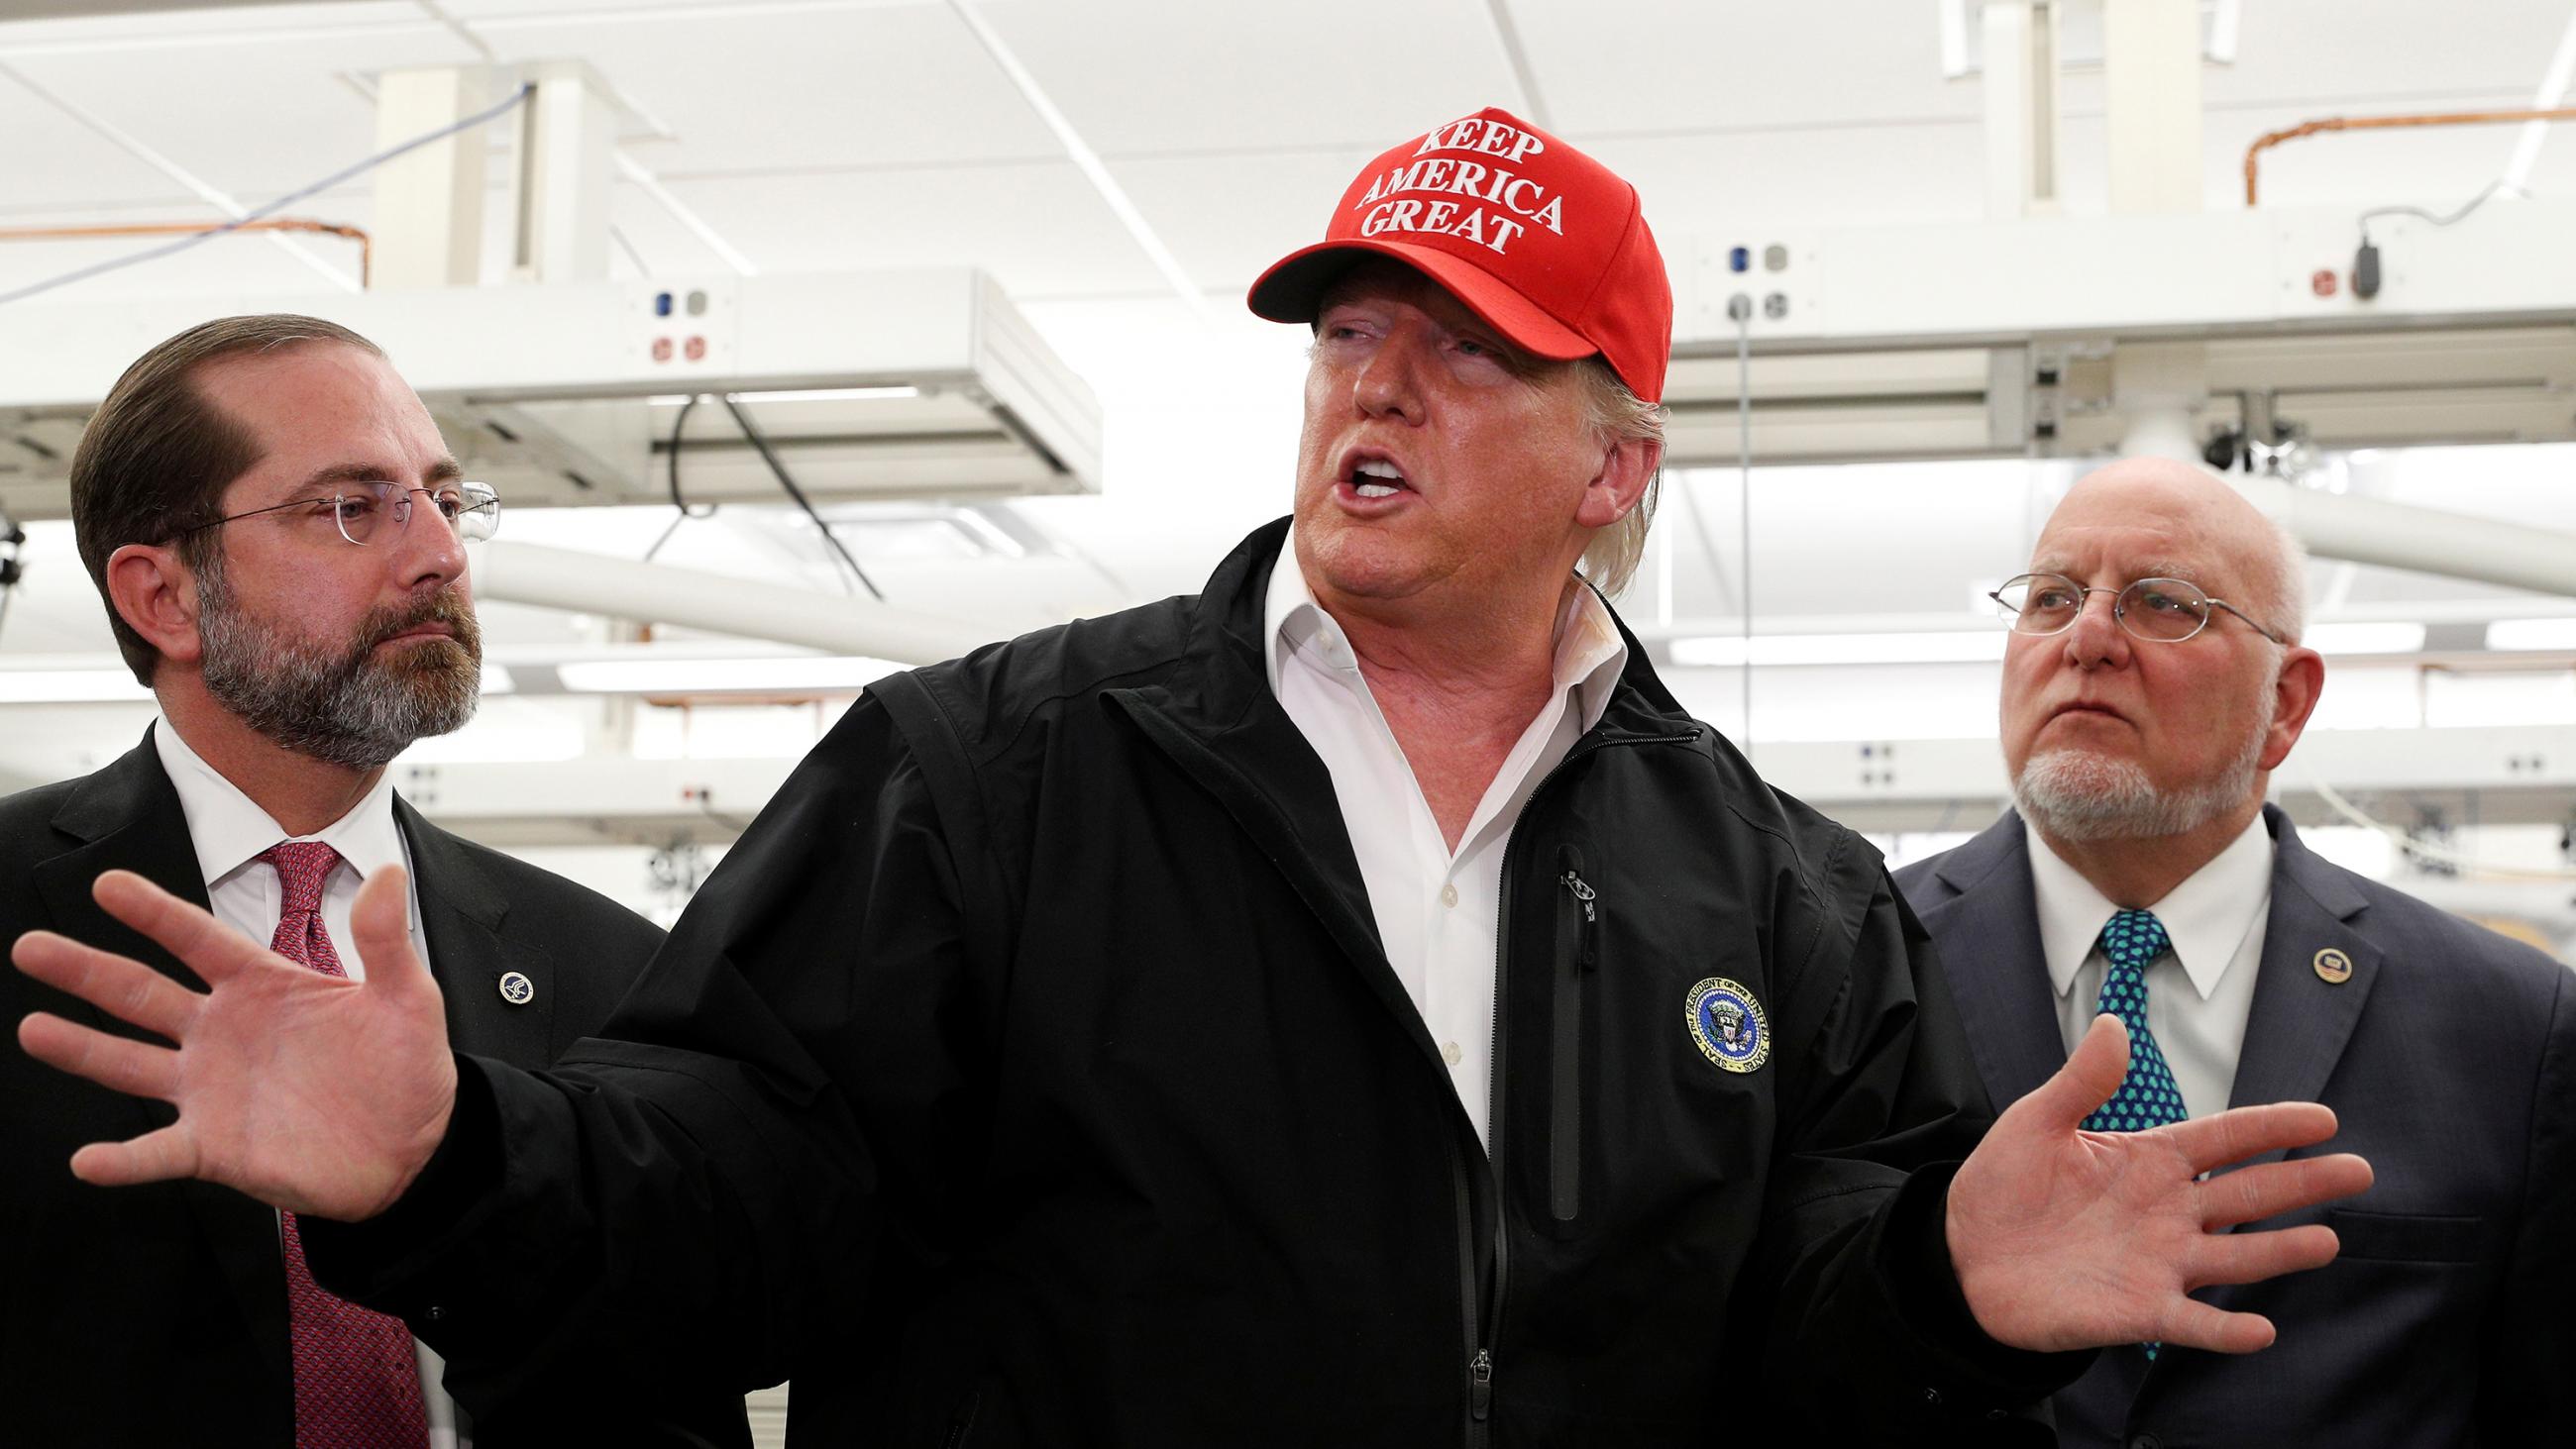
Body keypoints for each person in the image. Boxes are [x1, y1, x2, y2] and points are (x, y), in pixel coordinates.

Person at [16, 114, 2370, 1446]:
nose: (1381, 385)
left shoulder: (1769, 890)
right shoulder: (992, 775)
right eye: (1354, 333)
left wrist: (1940, 1282)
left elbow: (1786, 1339)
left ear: (1612, 467)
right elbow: (730, 1197)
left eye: (1469, 355)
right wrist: (456, 1170)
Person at [0, 315, 748, 1449]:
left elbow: (672, 1362)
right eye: (350, 506)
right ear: (163, 598)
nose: (437, 552)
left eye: (442, 498)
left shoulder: (608, 967)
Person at [1893, 456, 2573, 1446]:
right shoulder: (1849, 965)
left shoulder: (2510, 1026)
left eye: (2161, 602)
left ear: (2285, 702)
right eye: (2048, 597)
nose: (2085, 636)